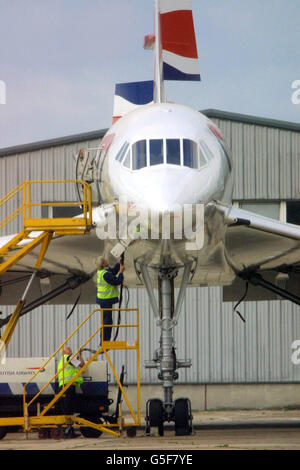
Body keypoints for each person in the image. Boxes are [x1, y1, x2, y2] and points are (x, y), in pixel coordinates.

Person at [57, 345, 85, 439]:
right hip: (67, 386)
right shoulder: (68, 358)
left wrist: (78, 355)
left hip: (68, 386)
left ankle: (70, 431)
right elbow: (82, 364)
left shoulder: (65, 359)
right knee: (68, 409)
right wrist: (79, 355)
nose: (70, 349)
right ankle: (67, 432)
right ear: (65, 352)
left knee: (69, 409)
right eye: (68, 349)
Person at [96, 256, 124, 342]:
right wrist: (121, 273)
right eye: (105, 260)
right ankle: (105, 341)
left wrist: (118, 263)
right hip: (106, 300)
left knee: (106, 321)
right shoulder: (106, 274)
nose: (107, 260)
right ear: (103, 263)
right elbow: (117, 281)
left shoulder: (103, 272)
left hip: (103, 300)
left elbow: (113, 271)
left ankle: (104, 340)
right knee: (107, 321)